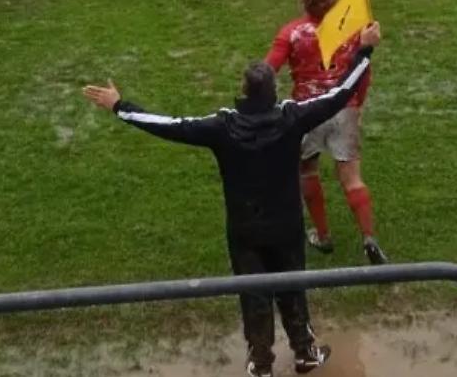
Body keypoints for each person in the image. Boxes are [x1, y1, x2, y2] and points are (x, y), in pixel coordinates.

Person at [83, 25, 382, 377]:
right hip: (286, 227)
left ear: (243, 91)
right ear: (273, 93)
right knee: (293, 288)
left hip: (245, 230)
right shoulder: (292, 118)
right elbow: (341, 92)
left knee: (252, 296)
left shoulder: (222, 127)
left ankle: (261, 363)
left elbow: (170, 125)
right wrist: (364, 51)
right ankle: (304, 353)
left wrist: (120, 106)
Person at [266, 0, 387, 266]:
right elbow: (362, 70)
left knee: (307, 170)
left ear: (304, 2)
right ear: (334, 0)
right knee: (352, 178)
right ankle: (369, 238)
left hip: (306, 110)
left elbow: (268, 69)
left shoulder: (291, 33)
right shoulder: (353, 30)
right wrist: (358, 103)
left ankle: (322, 235)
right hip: (343, 108)